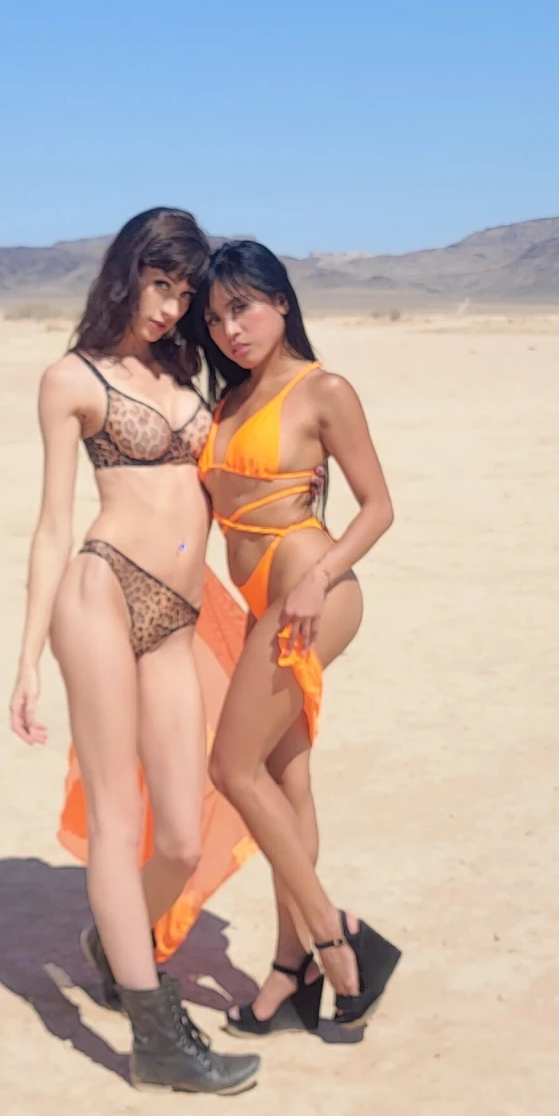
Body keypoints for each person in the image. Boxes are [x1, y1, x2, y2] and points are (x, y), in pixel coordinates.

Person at [10, 208, 262, 1095]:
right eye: (160, 286)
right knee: (119, 823)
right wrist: (27, 659)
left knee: (183, 838)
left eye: (184, 294)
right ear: (127, 273)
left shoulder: (187, 371)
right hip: (102, 595)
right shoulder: (71, 379)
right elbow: (51, 527)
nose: (170, 308)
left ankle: (113, 945)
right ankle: (154, 1033)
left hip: (178, 618)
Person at [193, 239, 402, 1027]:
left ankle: (334, 939)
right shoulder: (226, 403)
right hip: (263, 605)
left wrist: (320, 575)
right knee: (285, 783)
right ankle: (290, 969)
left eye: (243, 308)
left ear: (281, 301)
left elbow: (378, 506)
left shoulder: (324, 390)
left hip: (316, 594)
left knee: (231, 767)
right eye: (216, 318)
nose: (231, 329)